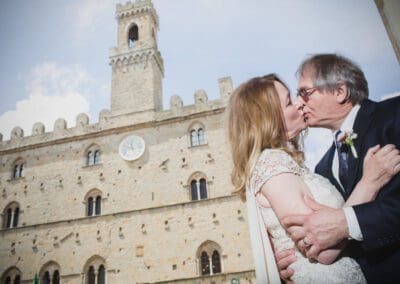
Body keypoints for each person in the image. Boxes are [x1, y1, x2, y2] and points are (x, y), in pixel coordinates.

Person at [227, 73, 400, 283]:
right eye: (289, 102)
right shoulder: (271, 163)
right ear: (268, 118)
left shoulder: (303, 166)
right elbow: (322, 249)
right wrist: (370, 182)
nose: (300, 104)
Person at [276, 54, 400, 284]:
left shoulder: (394, 114)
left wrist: (348, 222)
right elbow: (326, 236)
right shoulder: (322, 168)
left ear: (340, 91)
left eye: (305, 92)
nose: (299, 102)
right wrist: (297, 263)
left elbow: (344, 224)